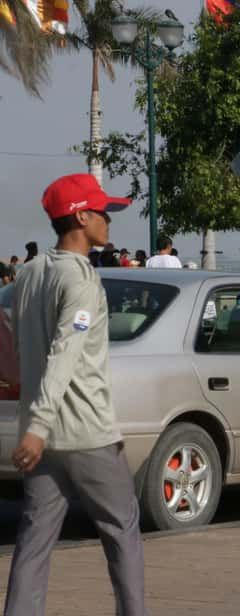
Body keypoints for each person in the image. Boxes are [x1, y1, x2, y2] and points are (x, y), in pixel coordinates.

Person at [5, 173, 146, 616]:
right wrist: (41, 424)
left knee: (34, 539)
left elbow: (18, 345)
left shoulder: (29, 274)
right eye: (103, 211)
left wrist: (35, 426)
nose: (109, 219)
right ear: (82, 217)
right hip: (87, 434)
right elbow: (66, 351)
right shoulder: (82, 279)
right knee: (122, 529)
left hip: (43, 441)